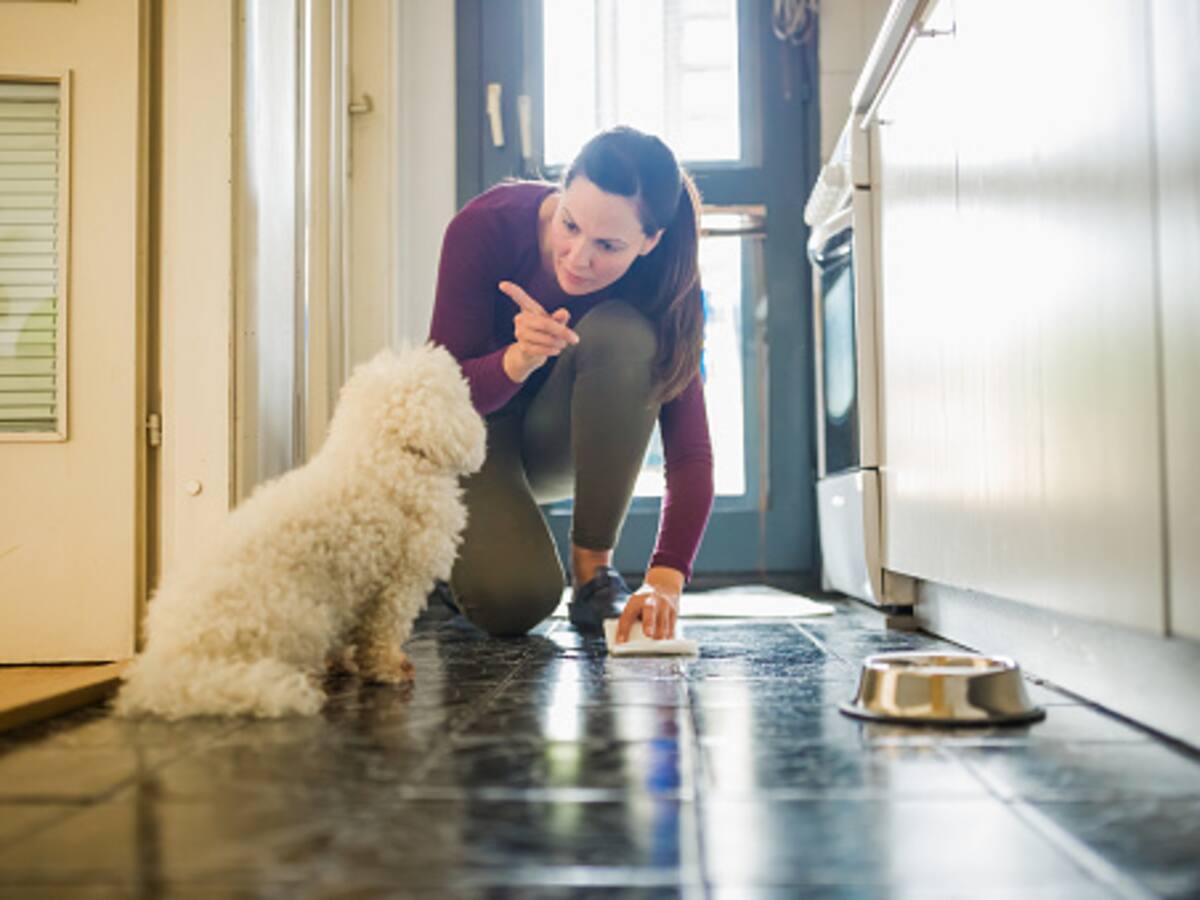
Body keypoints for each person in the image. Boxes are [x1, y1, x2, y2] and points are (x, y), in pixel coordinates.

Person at [428, 125, 714, 643]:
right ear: (559, 192)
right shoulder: (484, 228)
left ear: (650, 242)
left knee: (625, 336)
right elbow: (439, 396)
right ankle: (451, 564)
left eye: (608, 245)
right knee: (515, 600)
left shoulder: (667, 284)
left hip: (556, 442)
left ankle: (592, 575)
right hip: (475, 434)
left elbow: (690, 452)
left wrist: (665, 582)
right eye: (570, 224)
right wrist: (515, 361)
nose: (579, 258)